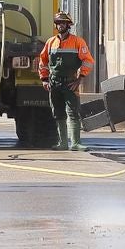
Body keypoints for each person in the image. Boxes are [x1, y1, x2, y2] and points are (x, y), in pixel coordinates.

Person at [36, 11, 94, 151]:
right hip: (54, 83)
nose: (60, 25)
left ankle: (75, 143)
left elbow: (88, 61)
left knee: (73, 112)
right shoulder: (51, 42)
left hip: (70, 82)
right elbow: (43, 62)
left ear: (68, 25)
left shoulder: (78, 42)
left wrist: (80, 79)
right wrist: (44, 79)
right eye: (58, 23)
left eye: (63, 23)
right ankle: (62, 143)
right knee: (58, 113)